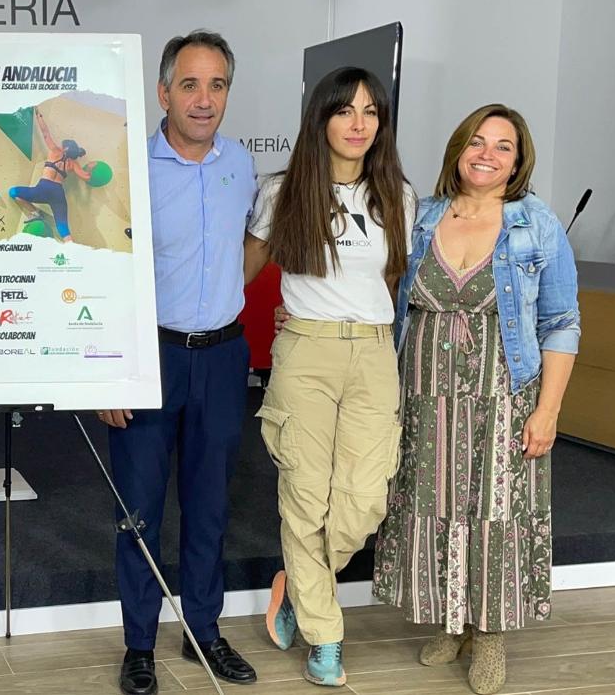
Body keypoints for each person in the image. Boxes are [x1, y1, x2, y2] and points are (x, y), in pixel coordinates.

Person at [372, 104, 579, 695]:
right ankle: (452, 619)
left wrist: (549, 411)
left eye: (503, 146)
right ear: (458, 149)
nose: (487, 154)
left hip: (502, 395)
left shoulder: (535, 223)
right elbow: (385, 293)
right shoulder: (423, 215)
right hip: (425, 392)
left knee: (495, 512)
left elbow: (562, 322)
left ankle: (489, 635)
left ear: (519, 160)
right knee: (433, 505)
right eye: (477, 142)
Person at [96, 30, 258, 695]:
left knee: (209, 505)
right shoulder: (126, 167)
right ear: (162, 92)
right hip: (147, 356)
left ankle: (203, 632)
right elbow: (101, 271)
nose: (203, 98)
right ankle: (139, 644)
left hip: (221, 359)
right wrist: (109, 368)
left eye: (217, 84)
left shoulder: (241, 164)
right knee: (138, 509)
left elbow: (249, 246)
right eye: (189, 84)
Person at [244, 67, 416, 687]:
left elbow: (389, 283)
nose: (359, 123)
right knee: (305, 498)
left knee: (364, 501)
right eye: (345, 110)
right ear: (321, 118)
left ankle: (297, 588)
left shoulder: (398, 194)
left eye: (371, 112)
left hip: (373, 353)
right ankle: (326, 637)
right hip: (305, 353)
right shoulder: (282, 190)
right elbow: (238, 274)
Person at [8, 108, 94, 241]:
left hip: (43, 188)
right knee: (63, 228)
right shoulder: (74, 164)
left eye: (62, 144)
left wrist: (38, 115)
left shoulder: (55, 151)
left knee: (14, 192)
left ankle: (35, 213)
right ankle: (72, 248)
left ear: (65, 148)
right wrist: (90, 167)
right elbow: (86, 177)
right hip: (58, 193)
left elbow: (45, 132)